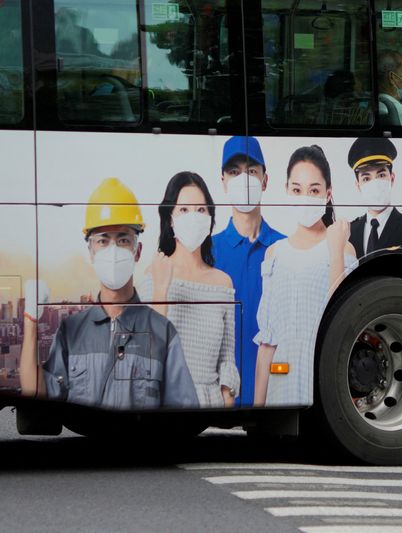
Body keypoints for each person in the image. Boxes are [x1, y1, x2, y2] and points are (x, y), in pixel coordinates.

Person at [19, 178, 198, 409]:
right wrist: (30, 321)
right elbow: (34, 393)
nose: (113, 250)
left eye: (123, 240)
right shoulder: (71, 331)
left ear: (137, 251)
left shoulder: (163, 332)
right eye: (103, 241)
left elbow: (184, 414)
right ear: (91, 251)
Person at [253, 145, 357, 406]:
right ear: (286, 189)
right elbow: (267, 344)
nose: (305, 197)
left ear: (327, 194)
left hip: (326, 375)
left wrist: (335, 252)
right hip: (282, 380)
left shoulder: (341, 247)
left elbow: (345, 321)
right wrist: (257, 411)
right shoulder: (275, 253)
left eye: (314, 190)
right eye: (297, 189)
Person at [139, 172, 240, 408]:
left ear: (210, 218)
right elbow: (146, 352)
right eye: (184, 210)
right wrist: (161, 290)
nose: (193, 217)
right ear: (171, 219)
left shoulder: (223, 283)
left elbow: (227, 357)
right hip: (166, 403)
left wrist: (226, 403)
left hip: (210, 404)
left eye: (201, 210)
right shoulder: (153, 275)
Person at [211, 136, 285, 406]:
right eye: (234, 172)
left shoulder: (284, 248)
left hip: (274, 395)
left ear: (265, 180)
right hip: (221, 398)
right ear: (223, 182)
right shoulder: (208, 251)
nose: (243, 179)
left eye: (251, 171)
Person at [347, 137, 402, 259]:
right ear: (358, 185)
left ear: (392, 178)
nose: (375, 183)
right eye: (366, 178)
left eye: (381, 175)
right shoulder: (350, 231)